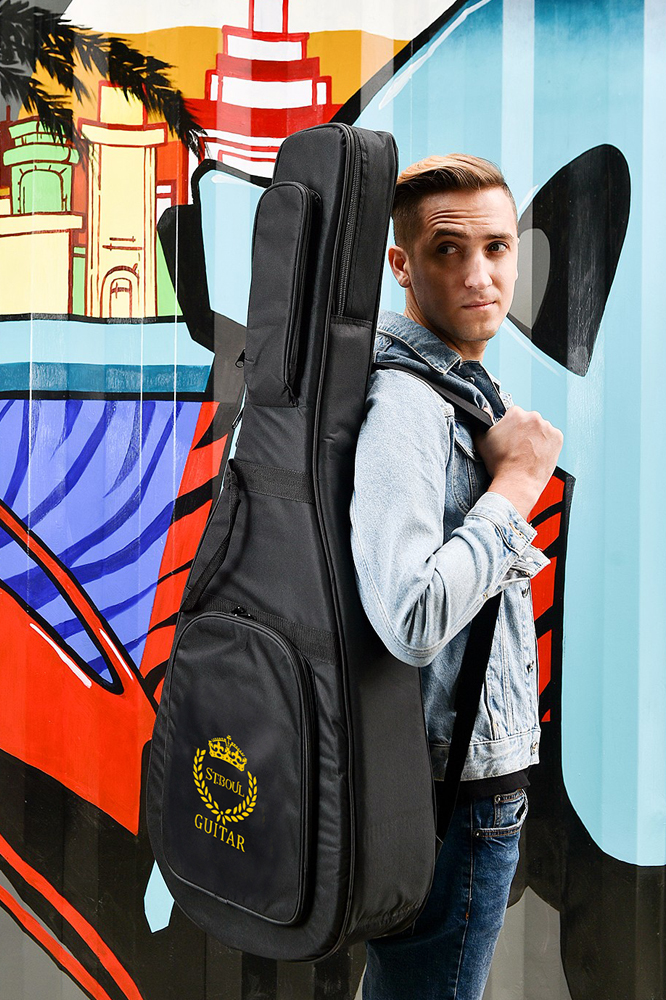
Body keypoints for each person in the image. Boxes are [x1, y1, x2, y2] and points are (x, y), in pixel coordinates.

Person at [350, 154, 564, 1000]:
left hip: (442, 777)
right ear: (401, 265)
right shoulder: (411, 402)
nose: (481, 275)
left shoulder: (449, 381)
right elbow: (409, 614)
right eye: (448, 250)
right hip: (457, 792)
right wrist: (517, 486)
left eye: (497, 248)